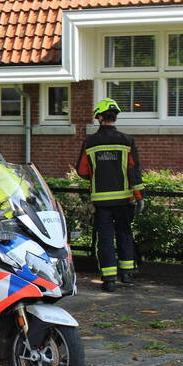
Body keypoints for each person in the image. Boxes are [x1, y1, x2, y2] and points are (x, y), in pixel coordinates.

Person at [76, 98, 144, 292]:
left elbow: (82, 171)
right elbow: (134, 171)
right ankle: (127, 275)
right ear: (115, 116)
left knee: (105, 238)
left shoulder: (90, 142)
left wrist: (98, 174)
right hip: (124, 200)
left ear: (99, 117)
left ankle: (109, 280)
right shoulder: (127, 140)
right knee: (124, 234)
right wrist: (139, 196)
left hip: (101, 202)